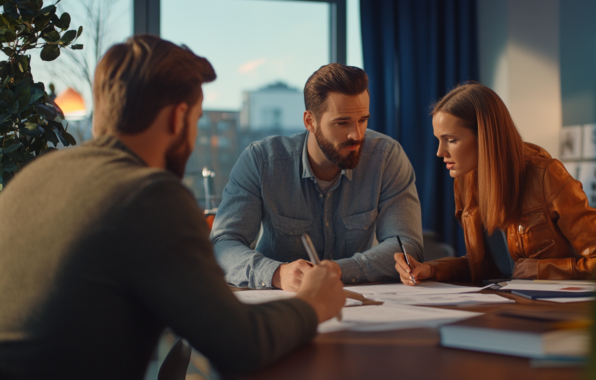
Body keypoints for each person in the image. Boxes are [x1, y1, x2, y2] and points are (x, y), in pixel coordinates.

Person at [0, 35, 345, 380]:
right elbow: (241, 345)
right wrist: (312, 304)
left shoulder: (34, 177)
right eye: (196, 121)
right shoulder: (149, 194)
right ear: (178, 118)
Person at [212, 63, 423, 291]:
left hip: (358, 302)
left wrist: (341, 270)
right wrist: (277, 274)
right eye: (342, 123)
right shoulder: (261, 161)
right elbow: (223, 244)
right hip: (281, 304)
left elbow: (406, 246)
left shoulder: (386, 157)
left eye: (363, 120)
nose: (356, 134)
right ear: (309, 121)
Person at [394, 82, 596, 284]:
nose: (440, 152)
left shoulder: (547, 176)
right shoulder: (465, 180)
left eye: (451, 140)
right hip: (503, 304)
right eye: (439, 139)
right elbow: (487, 266)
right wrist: (431, 270)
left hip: (549, 310)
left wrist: (546, 269)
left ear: (486, 137)